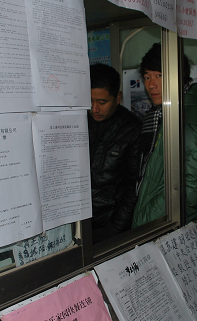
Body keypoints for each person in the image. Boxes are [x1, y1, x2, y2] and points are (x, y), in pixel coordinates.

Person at [132, 43, 197, 229]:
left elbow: (192, 189)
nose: (151, 85)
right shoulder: (160, 116)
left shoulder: (188, 119)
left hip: (171, 227)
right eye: (147, 77)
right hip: (159, 226)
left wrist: (146, 220)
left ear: (178, 76)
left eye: (159, 75)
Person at [88, 63, 142, 243]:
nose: (95, 108)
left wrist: (117, 227)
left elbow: (134, 186)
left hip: (109, 223)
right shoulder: (79, 122)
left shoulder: (131, 129)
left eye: (102, 102)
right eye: (90, 101)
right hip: (80, 223)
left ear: (118, 98)